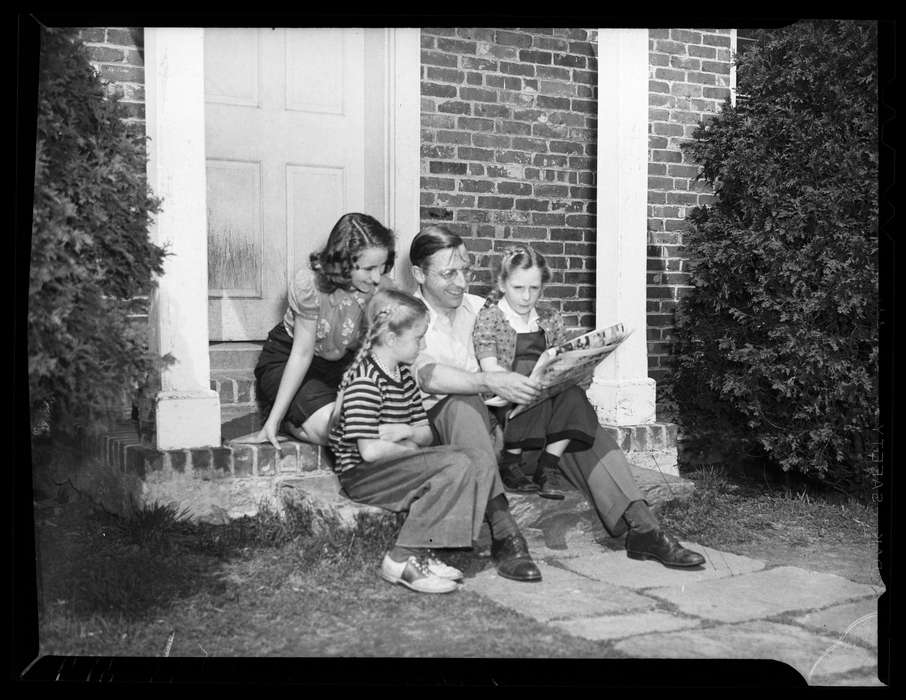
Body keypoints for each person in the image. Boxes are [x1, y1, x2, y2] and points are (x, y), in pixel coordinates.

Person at [409, 225, 706, 569]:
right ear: (418, 273)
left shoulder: (481, 308)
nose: (461, 282)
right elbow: (427, 375)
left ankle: (644, 528)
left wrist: (570, 370)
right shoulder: (407, 318)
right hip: (456, 442)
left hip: (513, 432)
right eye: (449, 273)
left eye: (466, 270)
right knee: (463, 405)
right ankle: (505, 534)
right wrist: (487, 380)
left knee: (575, 415)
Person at [327, 288, 543, 593]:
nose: (424, 344)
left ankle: (428, 550)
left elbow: (424, 433)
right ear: (391, 338)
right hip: (364, 475)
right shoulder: (366, 381)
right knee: (456, 465)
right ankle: (402, 558)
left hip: (392, 459)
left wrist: (404, 434)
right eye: (418, 338)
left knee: (479, 459)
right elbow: (371, 451)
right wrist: (410, 446)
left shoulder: (403, 376)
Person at [250, 213, 395, 450]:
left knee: (366, 430)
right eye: (369, 268)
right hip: (290, 361)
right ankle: (289, 418)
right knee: (341, 434)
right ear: (343, 261)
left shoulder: (379, 288)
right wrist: (273, 421)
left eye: (382, 267)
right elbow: (302, 353)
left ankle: (303, 420)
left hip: (341, 367)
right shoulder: (310, 285)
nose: (377, 277)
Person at [473, 245, 600, 500]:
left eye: (534, 288)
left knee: (573, 394)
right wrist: (524, 381)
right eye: (518, 288)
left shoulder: (550, 317)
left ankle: (548, 465)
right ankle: (511, 460)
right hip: (506, 394)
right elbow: (490, 367)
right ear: (501, 283)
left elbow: (559, 357)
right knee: (529, 380)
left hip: (544, 389)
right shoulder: (491, 317)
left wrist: (578, 367)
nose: (526, 297)